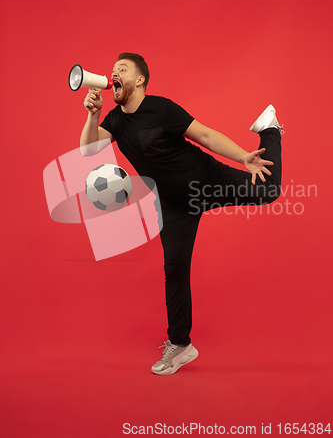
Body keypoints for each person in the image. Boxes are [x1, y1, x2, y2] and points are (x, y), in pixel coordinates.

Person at [80, 53, 283, 375]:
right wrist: (93, 115)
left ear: (139, 80)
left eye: (122, 69)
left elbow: (203, 135)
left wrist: (244, 156)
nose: (113, 73)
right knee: (174, 272)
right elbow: (88, 151)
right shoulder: (115, 119)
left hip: (209, 182)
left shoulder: (162, 108)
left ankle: (270, 129)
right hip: (174, 206)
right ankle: (180, 346)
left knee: (270, 190)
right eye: (113, 68)